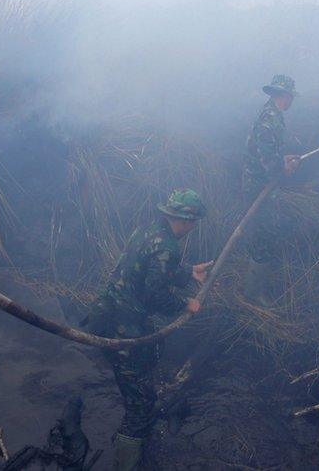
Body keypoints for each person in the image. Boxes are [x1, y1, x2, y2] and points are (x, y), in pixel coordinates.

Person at [86, 189, 213, 471]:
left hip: (106, 317)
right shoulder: (168, 245)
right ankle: (126, 463)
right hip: (126, 330)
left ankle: (132, 443)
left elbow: (143, 269)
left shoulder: (148, 230)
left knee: (138, 386)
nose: (193, 227)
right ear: (184, 219)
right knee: (139, 407)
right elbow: (155, 293)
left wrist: (188, 272)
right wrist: (186, 304)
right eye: (193, 221)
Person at [242, 75, 301, 294]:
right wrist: (283, 167)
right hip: (260, 188)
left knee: (264, 231)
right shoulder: (270, 119)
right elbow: (266, 159)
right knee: (265, 233)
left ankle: (255, 286)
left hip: (262, 183)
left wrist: (282, 160)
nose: (291, 101)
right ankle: (253, 292)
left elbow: (267, 153)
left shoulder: (272, 114)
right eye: (291, 96)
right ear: (284, 95)